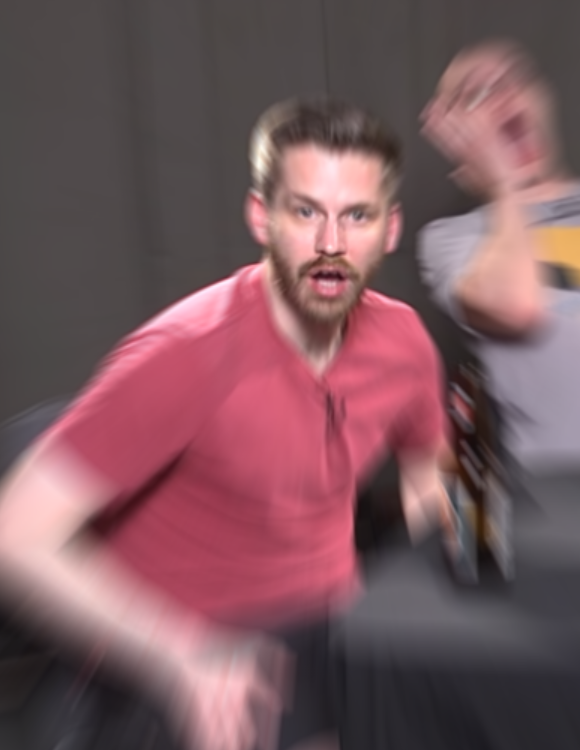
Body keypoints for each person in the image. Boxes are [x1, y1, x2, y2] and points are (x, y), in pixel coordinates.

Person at [0, 98, 447, 750]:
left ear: (390, 227)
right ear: (261, 216)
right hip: (178, 652)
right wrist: (182, 655)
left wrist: (447, 583)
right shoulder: (185, 354)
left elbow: (428, 473)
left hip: (330, 635)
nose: (331, 244)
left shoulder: (403, 342)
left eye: (357, 215)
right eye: (306, 212)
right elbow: (15, 535)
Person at [419, 38, 580, 472]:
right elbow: (513, 306)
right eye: (477, 95)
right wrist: (503, 184)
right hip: (559, 489)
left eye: (514, 81)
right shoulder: (455, 237)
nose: (503, 96)